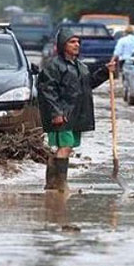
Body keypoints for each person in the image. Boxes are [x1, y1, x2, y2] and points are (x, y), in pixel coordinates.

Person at [38, 28, 116, 191]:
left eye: (78, 42)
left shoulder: (81, 66)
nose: (76, 45)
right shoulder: (53, 66)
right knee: (65, 147)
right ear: (62, 45)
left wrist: (104, 71)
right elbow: (47, 91)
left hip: (76, 115)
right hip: (62, 115)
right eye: (72, 42)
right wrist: (56, 113)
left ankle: (51, 183)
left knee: (65, 147)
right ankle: (61, 184)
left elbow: (89, 84)